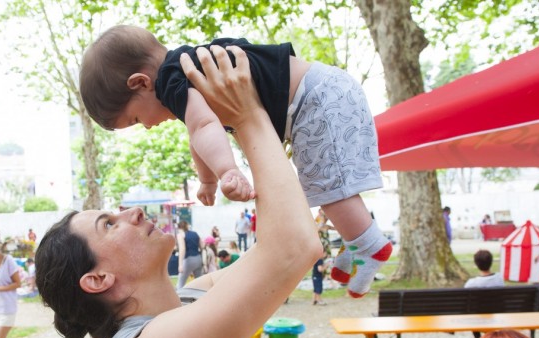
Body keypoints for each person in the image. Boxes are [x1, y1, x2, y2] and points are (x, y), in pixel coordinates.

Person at [35, 45, 321, 338]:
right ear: (97, 280)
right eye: (109, 225)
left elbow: (283, 241)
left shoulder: (190, 300)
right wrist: (246, 115)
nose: (131, 212)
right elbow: (293, 248)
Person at [79, 26, 391, 298]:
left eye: (135, 119)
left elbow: (203, 127)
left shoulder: (173, 79)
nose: (146, 126)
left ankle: (370, 246)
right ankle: (355, 246)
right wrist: (208, 180)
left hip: (315, 100)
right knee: (321, 186)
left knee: (329, 189)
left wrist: (228, 170)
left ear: (141, 83)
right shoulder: (186, 70)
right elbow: (196, 133)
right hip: (322, 93)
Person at [176, 220, 204, 289]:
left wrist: (180, 265)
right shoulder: (195, 233)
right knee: (200, 282)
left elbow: (182, 249)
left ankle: (178, 298)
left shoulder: (180, 235)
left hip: (188, 259)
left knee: (180, 283)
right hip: (198, 258)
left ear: (179, 228)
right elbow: (202, 246)